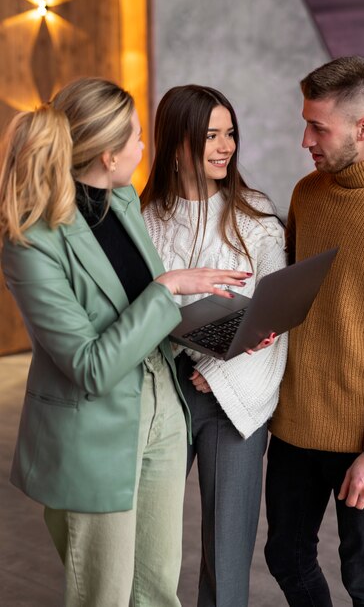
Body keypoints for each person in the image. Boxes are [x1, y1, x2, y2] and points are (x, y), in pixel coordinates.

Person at [0, 77, 251, 607]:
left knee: (158, 587)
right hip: (93, 433)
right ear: (110, 154)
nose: (145, 146)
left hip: (163, 412)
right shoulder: (31, 242)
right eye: (137, 136)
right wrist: (168, 287)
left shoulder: (121, 201)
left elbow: (143, 316)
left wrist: (224, 335)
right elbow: (91, 366)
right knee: (104, 595)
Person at [264, 55, 364, 607]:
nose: (305, 138)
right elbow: (294, 295)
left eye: (318, 127)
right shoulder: (308, 193)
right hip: (295, 422)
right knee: (285, 556)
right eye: (305, 122)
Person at [141, 84, 288, 607]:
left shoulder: (256, 214)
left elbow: (278, 320)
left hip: (234, 401)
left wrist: (220, 374)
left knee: (227, 557)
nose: (225, 146)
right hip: (159, 395)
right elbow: (133, 316)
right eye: (210, 136)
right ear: (177, 142)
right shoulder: (144, 220)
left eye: (230, 134)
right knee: (144, 543)